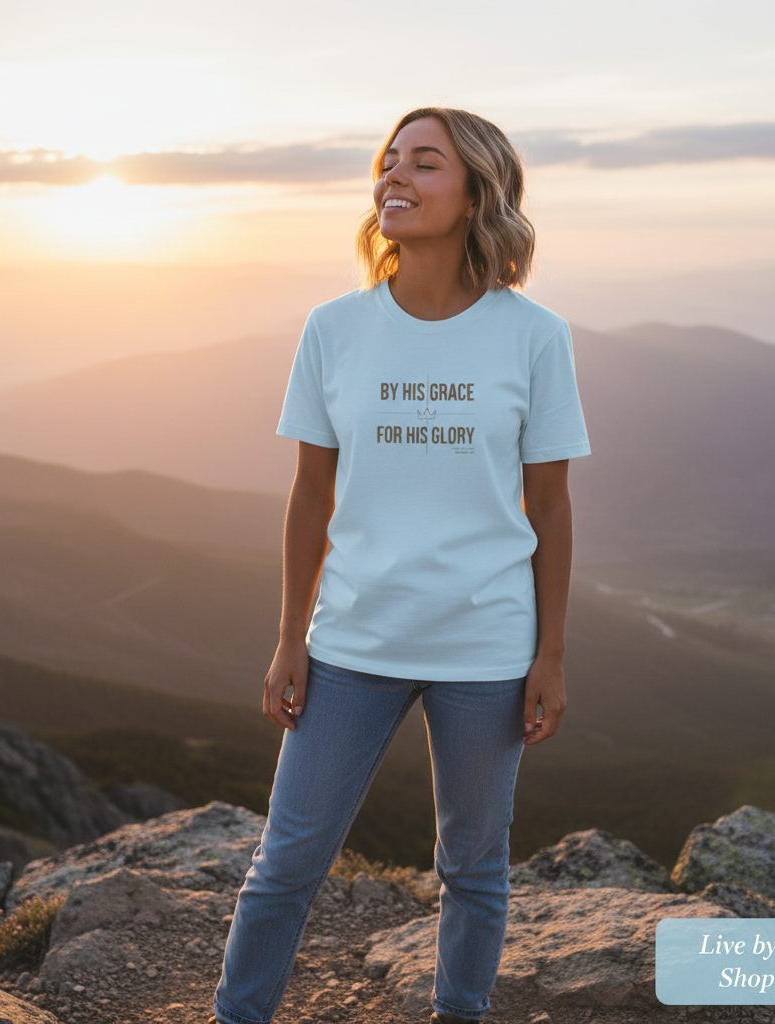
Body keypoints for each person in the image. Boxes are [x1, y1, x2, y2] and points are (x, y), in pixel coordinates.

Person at [211, 106, 590, 1024]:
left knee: (473, 869)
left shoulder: (533, 336)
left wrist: (550, 656)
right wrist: (288, 638)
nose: (396, 177)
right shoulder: (335, 328)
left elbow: (548, 507)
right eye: (390, 161)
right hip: (352, 641)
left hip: (487, 651)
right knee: (287, 862)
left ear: (477, 195)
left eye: (426, 163)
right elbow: (311, 497)